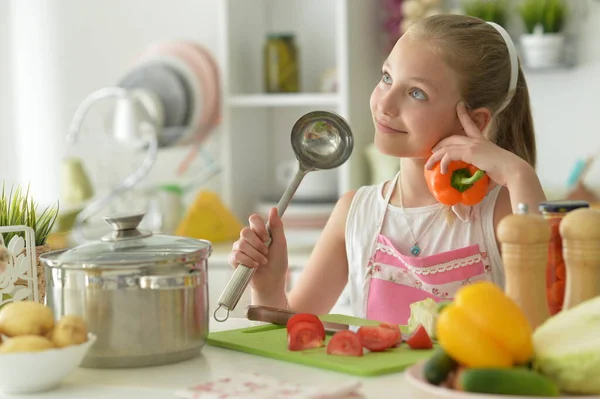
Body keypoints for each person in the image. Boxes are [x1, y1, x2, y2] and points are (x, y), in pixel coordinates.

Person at [227, 14, 547, 325]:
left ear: (475, 122)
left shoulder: (501, 212)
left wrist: (518, 174)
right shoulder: (355, 213)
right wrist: (267, 287)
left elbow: (540, 328)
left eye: (416, 93)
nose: (385, 104)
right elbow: (291, 333)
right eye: (387, 77)